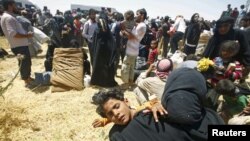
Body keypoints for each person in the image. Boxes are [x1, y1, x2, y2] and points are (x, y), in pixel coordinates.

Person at [93, 68, 224, 141]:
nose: (116, 113)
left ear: (126, 101)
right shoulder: (116, 135)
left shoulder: (156, 113)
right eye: (110, 114)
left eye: (116, 107)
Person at [1, 0, 34, 88]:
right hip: (19, 45)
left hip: (19, 44)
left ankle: (28, 77)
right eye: (15, 4)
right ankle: (26, 81)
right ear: (10, 5)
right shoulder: (8, 18)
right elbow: (13, 34)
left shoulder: (8, 16)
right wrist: (27, 35)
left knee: (26, 62)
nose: (16, 6)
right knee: (24, 63)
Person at [121, 8, 147, 88]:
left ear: (142, 15)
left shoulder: (141, 26)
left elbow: (131, 36)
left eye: (137, 14)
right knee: (131, 68)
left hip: (131, 50)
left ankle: (125, 84)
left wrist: (123, 29)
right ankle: (130, 83)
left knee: (125, 67)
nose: (136, 16)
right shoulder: (141, 25)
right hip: (134, 50)